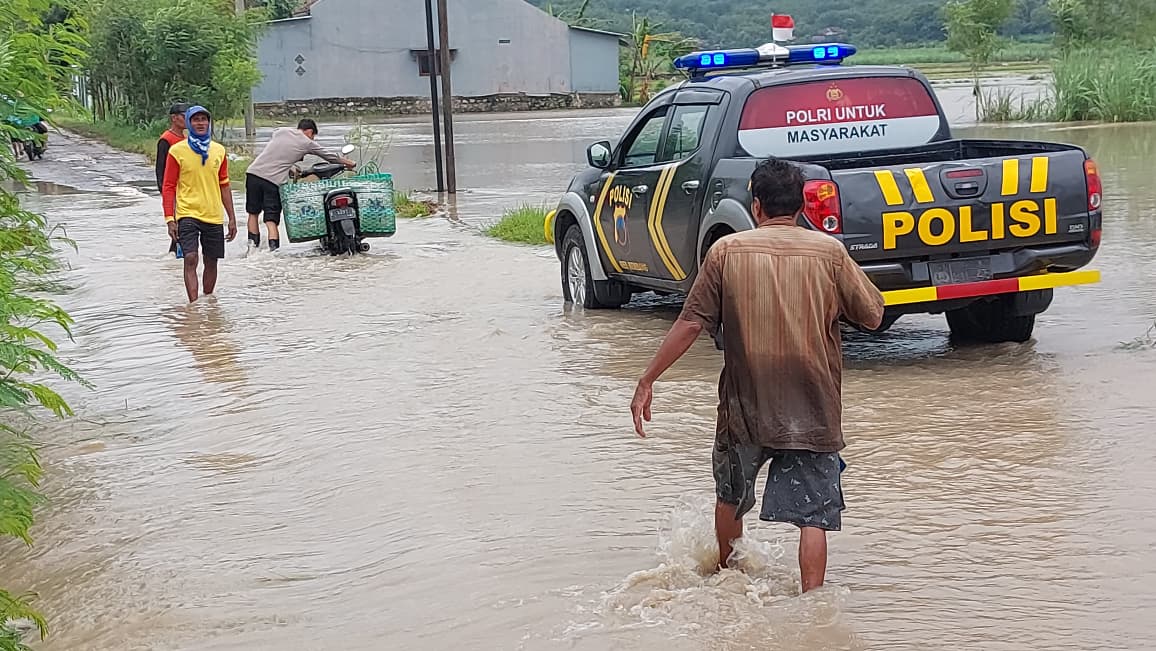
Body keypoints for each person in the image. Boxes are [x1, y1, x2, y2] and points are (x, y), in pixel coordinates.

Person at [629, 158, 885, 594]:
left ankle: (729, 586)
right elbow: (873, 316)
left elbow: (691, 323)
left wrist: (647, 379)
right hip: (813, 407)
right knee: (813, 517)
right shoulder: (830, 253)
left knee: (731, 497)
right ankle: (812, 606)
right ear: (801, 206)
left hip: (745, 407)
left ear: (757, 205)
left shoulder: (725, 252)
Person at [161, 106, 238, 303]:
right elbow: (169, 186)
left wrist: (232, 218)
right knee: (191, 258)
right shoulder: (177, 151)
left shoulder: (219, 151)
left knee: (211, 262)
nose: (200, 123)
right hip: (187, 213)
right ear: (188, 123)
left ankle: (209, 303)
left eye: (204, 119)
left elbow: (224, 185)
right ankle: (194, 308)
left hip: (213, 214)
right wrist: (170, 219)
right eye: (196, 120)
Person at [243, 118, 355, 251]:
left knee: (253, 213)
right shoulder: (306, 142)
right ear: (309, 132)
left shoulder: (280, 131)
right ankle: (272, 253)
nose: (313, 139)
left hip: (253, 174)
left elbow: (278, 153)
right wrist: (348, 163)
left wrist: (290, 167)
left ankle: (252, 250)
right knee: (271, 220)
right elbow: (329, 156)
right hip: (272, 181)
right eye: (313, 136)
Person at [157, 102, 189, 256]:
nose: (187, 119)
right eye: (184, 116)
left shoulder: (184, 138)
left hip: (186, 190)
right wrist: (167, 196)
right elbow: (161, 171)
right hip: (174, 192)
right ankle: (177, 259)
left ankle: (174, 259)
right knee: (179, 229)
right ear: (174, 118)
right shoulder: (166, 139)